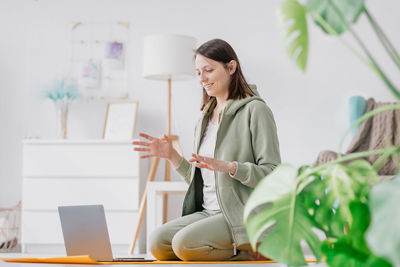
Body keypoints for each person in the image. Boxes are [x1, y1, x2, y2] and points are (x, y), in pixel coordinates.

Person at [132, 38, 281, 261]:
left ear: (231, 67)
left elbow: (273, 173)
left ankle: (254, 250)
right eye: (198, 72)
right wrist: (171, 155)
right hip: (208, 211)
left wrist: (231, 167)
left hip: (241, 214)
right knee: (157, 242)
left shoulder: (256, 110)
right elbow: (200, 179)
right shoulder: (204, 116)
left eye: (208, 71)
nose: (201, 79)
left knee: (183, 245)